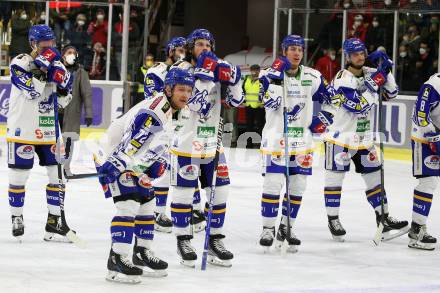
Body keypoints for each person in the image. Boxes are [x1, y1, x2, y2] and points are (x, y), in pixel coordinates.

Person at [95, 68, 194, 284]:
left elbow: (164, 142)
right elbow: (133, 139)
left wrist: (159, 162)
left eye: (188, 90)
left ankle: (141, 253)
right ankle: (117, 258)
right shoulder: (157, 110)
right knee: (129, 203)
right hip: (114, 154)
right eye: (181, 90)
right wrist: (116, 163)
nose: (185, 94)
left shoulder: (181, 111)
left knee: (148, 203)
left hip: (135, 160)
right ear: (169, 89)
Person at [321, 38, 408, 242]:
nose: (360, 57)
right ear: (348, 57)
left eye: (362, 53)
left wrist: (386, 71)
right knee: (335, 181)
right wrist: (376, 80)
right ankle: (333, 219)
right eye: (355, 54)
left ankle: (384, 218)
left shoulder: (370, 73)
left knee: (375, 179)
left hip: (364, 138)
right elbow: (358, 105)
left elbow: (392, 93)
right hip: (339, 137)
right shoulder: (343, 78)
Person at [169, 28, 243, 267]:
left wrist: (235, 80)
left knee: (220, 191)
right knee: (184, 193)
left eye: (208, 45)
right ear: (191, 47)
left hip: (213, 143)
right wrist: (205, 76)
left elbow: (236, 102)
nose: (205, 49)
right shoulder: (180, 70)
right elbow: (194, 106)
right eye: (199, 44)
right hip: (185, 144)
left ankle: (215, 239)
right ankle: (183, 240)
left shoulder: (216, 66)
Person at [257, 35, 335, 252]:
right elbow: (266, 100)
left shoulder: (313, 76)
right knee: (273, 183)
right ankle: (268, 229)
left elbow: (331, 100)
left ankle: (286, 226)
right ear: (284, 51)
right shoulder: (268, 74)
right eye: (292, 49)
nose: (296, 53)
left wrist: (325, 119)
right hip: (275, 140)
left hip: (303, 142)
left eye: (300, 49)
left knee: (298, 186)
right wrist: (274, 75)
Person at [7, 24, 73, 241]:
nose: (48, 47)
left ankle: (54, 221)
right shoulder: (19, 62)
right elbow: (32, 92)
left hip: (48, 130)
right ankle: (17, 217)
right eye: (44, 43)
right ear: (32, 43)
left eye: (51, 43)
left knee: (56, 177)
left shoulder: (57, 63)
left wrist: (63, 84)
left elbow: (64, 101)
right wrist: (42, 69)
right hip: (22, 130)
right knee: (19, 176)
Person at [144, 37, 206, 234]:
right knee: (162, 169)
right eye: (177, 49)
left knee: (187, 168)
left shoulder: (189, 70)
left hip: (183, 125)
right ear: (169, 51)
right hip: (161, 125)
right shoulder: (157, 70)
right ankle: (157, 212)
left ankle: (193, 209)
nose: (181, 52)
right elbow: (154, 98)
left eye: (183, 49)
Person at [409, 73, 440, 251]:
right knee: (428, 182)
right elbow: (421, 114)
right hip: (425, 138)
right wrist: (433, 136)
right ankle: (417, 230)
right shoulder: (434, 84)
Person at [60, 45, 93, 177]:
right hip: (55, 113)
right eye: (69, 52)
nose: (72, 55)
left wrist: (89, 113)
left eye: (74, 52)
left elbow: (87, 94)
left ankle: (66, 168)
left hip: (71, 113)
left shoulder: (80, 72)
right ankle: (55, 168)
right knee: (54, 142)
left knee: (68, 141)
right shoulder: (56, 69)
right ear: (63, 55)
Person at [243, 64, 264, 148]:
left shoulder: (262, 80)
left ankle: (261, 143)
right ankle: (249, 143)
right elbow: (243, 90)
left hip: (260, 106)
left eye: (256, 70)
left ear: (259, 71)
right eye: (252, 70)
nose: (254, 72)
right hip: (249, 105)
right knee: (249, 125)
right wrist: (244, 101)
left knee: (260, 125)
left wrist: (263, 103)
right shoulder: (247, 79)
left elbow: (265, 91)